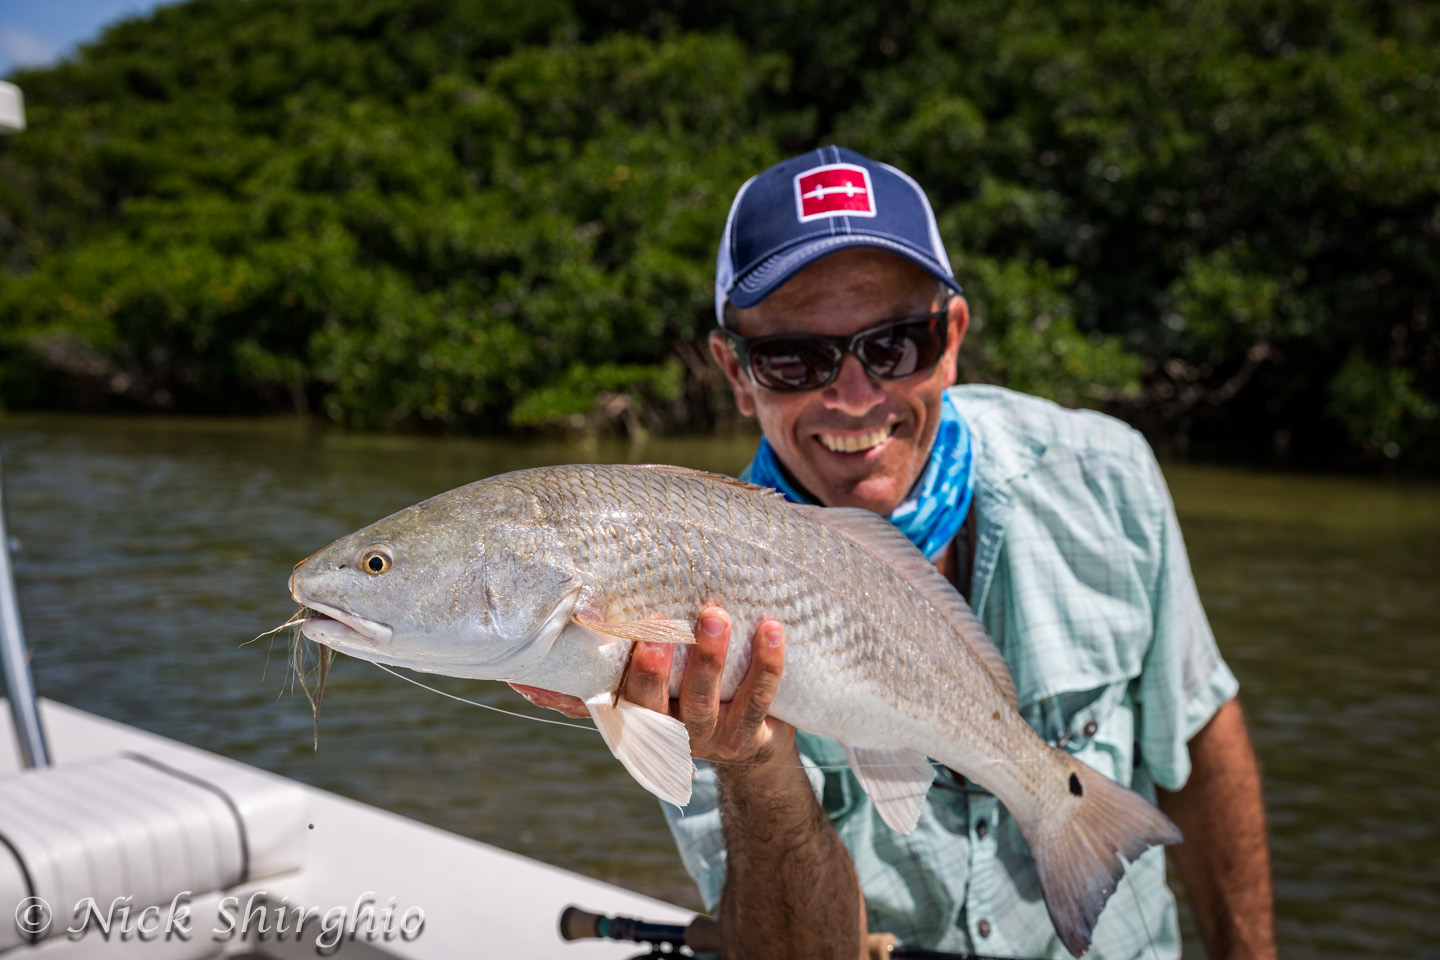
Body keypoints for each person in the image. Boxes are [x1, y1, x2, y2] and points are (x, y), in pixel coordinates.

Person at [513, 147, 1276, 960]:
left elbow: (1199, 728)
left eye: (897, 344)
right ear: (736, 372)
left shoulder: (1106, 475)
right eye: (794, 358)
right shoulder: (680, 591)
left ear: (951, 339)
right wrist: (754, 764)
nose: (853, 397)